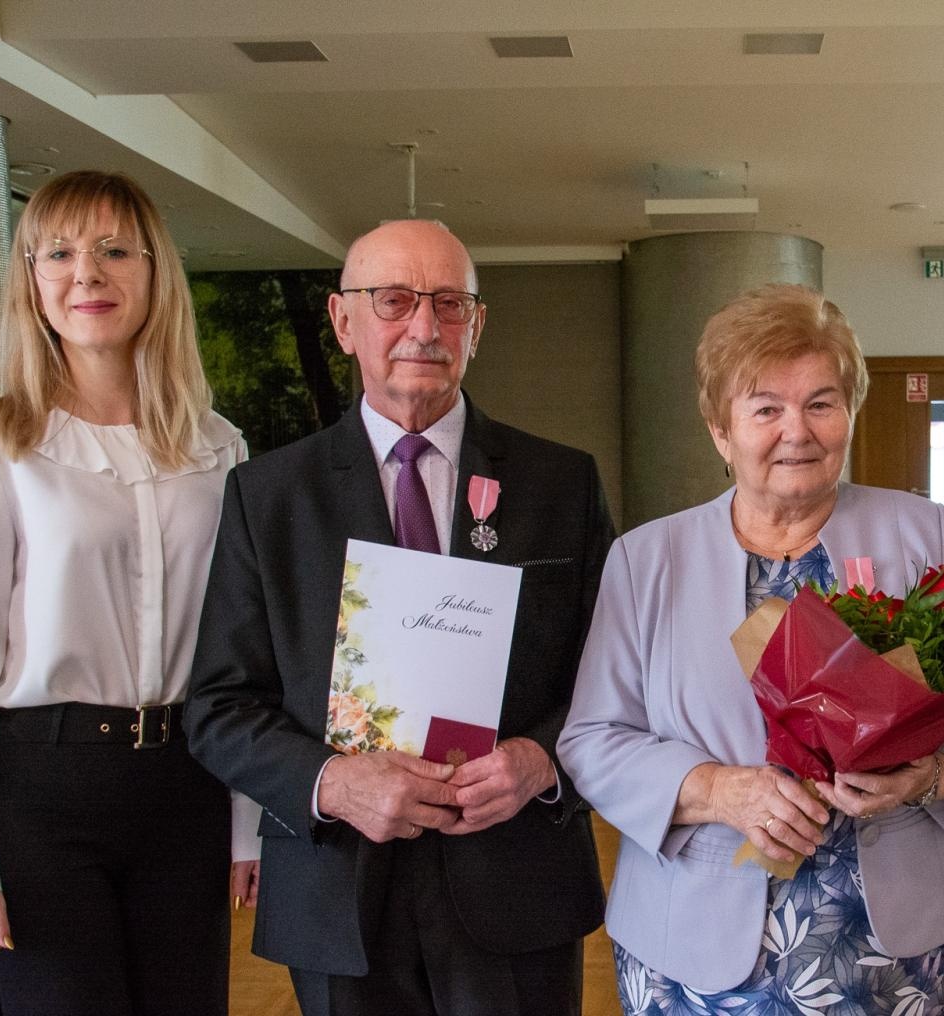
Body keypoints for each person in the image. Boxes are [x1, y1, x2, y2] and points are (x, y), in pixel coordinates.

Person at [558, 283, 944, 1015]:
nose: (797, 430)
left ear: (849, 411)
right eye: (765, 408)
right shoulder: (646, 559)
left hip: (898, 945)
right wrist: (719, 789)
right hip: (697, 949)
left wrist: (930, 775)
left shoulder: (921, 534)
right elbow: (592, 740)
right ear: (721, 429)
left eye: (820, 402)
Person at [183, 218, 613, 1016]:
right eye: (395, 301)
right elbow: (218, 707)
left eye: (449, 303)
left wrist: (542, 762)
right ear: (344, 322)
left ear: (477, 326)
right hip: (337, 893)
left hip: (515, 881)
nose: (424, 327)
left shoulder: (563, 485)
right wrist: (331, 782)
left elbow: (617, 680)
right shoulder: (269, 497)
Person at [0, 169, 259, 1015]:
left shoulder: (221, 451)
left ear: (153, 272)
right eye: (57, 253)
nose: (86, 274)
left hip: (187, 789)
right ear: (31, 280)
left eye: (112, 251)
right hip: (41, 798)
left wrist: (249, 820)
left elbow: (245, 652)